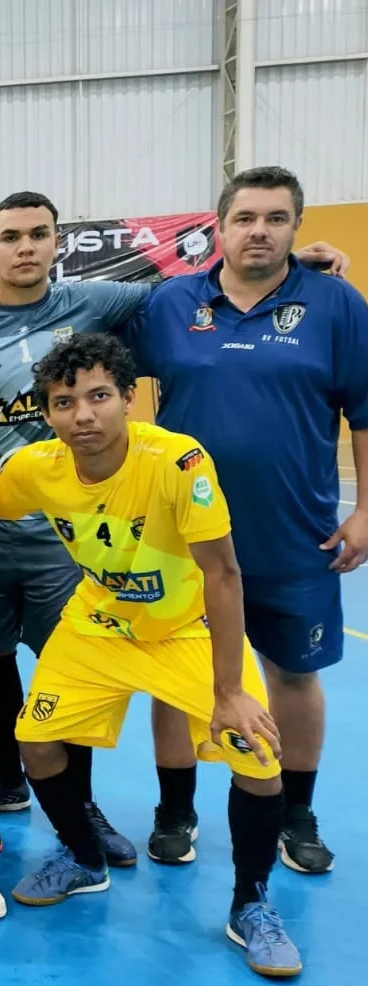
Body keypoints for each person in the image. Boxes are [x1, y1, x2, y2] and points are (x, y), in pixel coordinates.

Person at [0, 191, 347, 868]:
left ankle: (194, 856)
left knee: (227, 724)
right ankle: (24, 798)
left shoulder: (103, 321)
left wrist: (286, 267)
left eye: (38, 234)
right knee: (6, 682)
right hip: (8, 552)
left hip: (98, 577)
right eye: (9, 236)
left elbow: (181, 291)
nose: (24, 247)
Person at [0, 332, 301, 979]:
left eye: (100, 396)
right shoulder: (34, 469)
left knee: (260, 755)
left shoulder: (178, 462)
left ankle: (252, 904)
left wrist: (230, 690)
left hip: (186, 629)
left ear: (131, 399)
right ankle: (82, 858)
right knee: (35, 741)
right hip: (96, 627)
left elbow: (225, 573)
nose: (84, 414)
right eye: (65, 401)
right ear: (47, 413)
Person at [130, 166, 368, 873]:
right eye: (245, 218)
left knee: (293, 675)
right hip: (182, 539)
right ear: (220, 226)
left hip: (296, 533)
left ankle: (296, 811)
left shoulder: (335, 303)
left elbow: (364, 411)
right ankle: (175, 809)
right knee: (176, 677)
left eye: (275, 218)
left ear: (297, 226)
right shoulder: (170, 303)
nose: (259, 230)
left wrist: (366, 513)